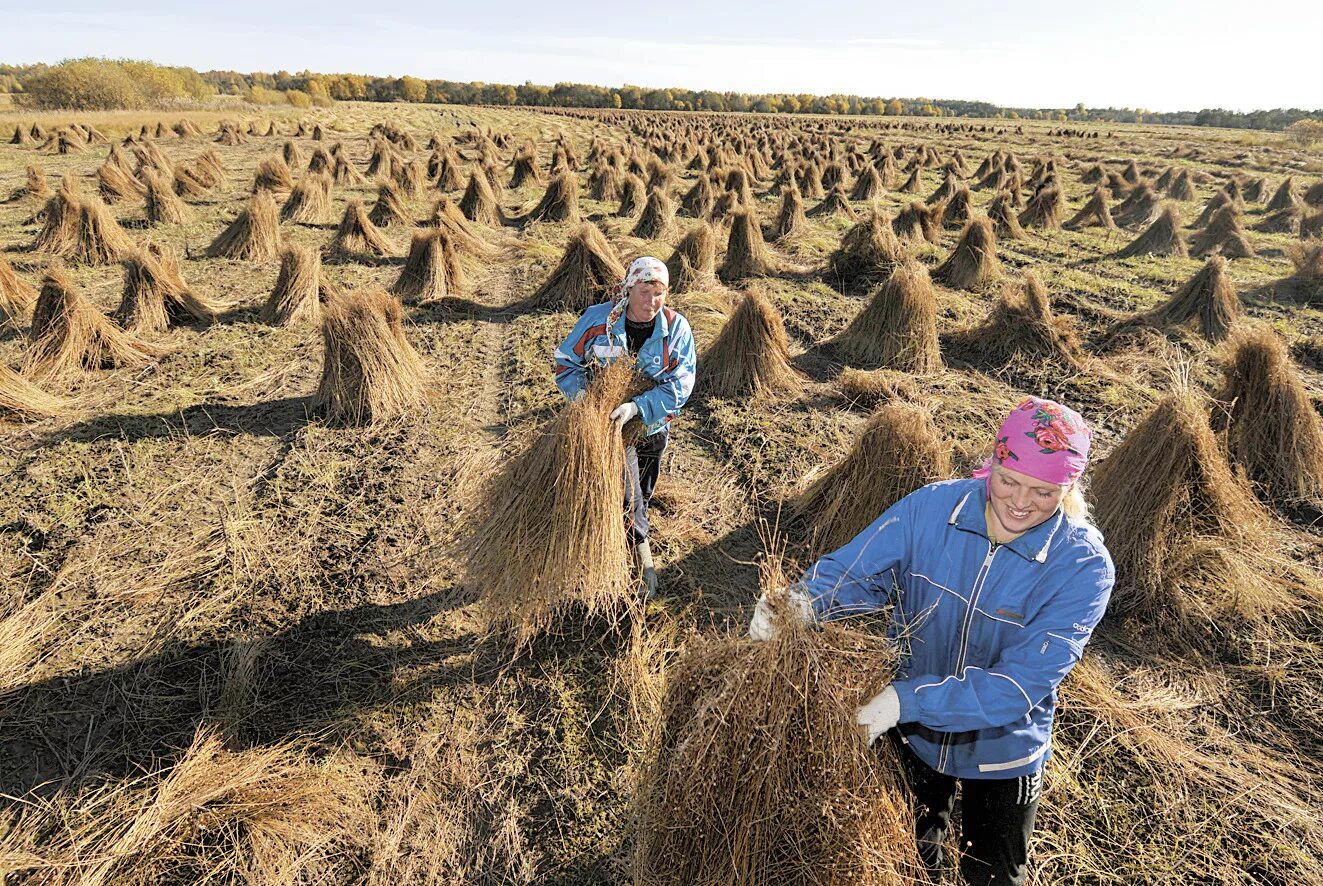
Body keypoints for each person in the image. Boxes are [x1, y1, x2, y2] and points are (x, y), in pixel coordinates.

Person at [749, 397, 1114, 886]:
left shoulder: (1082, 567)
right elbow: (859, 571)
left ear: (1067, 488)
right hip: (917, 741)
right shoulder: (933, 509)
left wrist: (905, 700)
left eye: (1044, 492)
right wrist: (800, 603)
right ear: (994, 463)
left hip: (1005, 751)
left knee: (995, 874)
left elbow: (1016, 686)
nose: (1021, 503)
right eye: (1008, 481)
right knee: (912, 855)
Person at [553, 256, 697, 599]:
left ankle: (630, 530)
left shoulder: (676, 328)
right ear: (629, 288)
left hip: (652, 424)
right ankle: (640, 568)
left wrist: (638, 407)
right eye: (645, 291)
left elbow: (681, 384)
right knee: (629, 498)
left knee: (642, 493)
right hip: (608, 427)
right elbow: (565, 363)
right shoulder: (598, 320)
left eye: (659, 292)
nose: (651, 301)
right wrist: (588, 399)